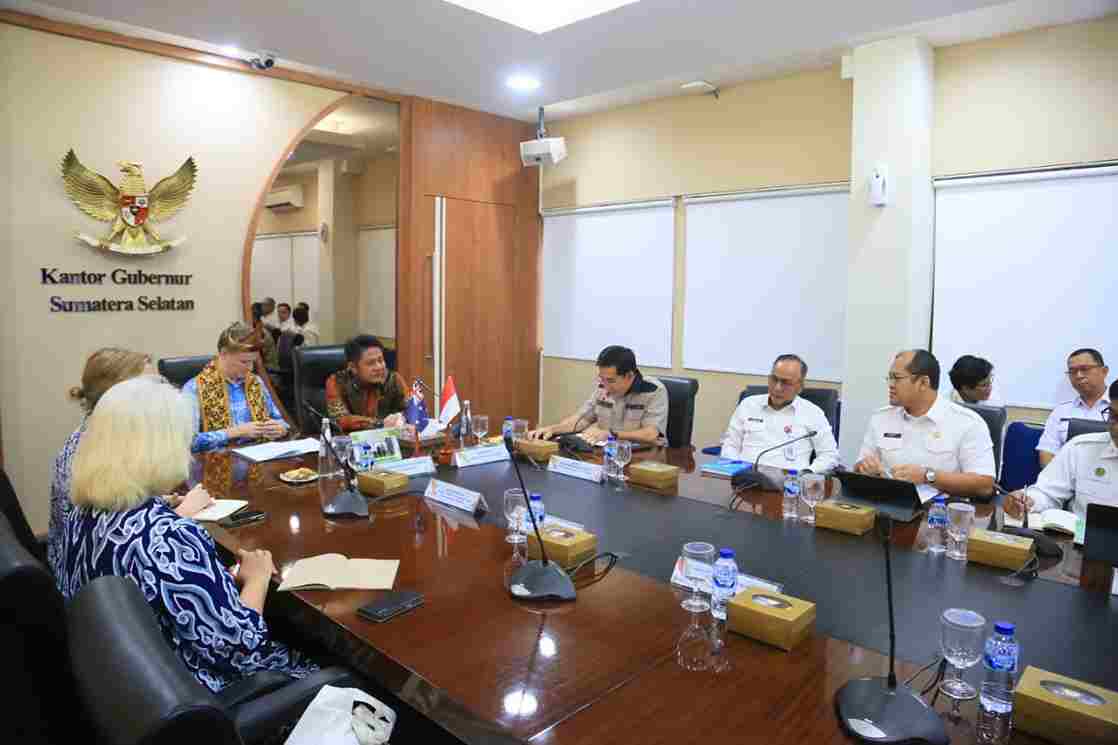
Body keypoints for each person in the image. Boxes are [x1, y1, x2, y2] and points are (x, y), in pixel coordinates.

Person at [60, 376, 317, 692]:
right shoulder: (167, 537)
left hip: (124, 686)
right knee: (339, 665)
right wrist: (257, 578)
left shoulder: (81, 514)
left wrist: (217, 580)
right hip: (203, 693)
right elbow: (243, 651)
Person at [49, 348, 156, 583]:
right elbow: (111, 534)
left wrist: (164, 503)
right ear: (114, 396)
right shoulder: (94, 453)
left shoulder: (99, 434)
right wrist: (182, 513)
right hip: (94, 577)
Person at [855, 349, 995, 501]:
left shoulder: (967, 423)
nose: (891, 385)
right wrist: (865, 468)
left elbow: (985, 485)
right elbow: (858, 468)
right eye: (890, 378)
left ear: (923, 383)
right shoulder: (881, 417)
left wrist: (928, 476)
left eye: (897, 378)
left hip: (940, 510)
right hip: (887, 505)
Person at [1007, 380, 1118, 521]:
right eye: (1113, 415)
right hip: (1081, 534)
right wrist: (1028, 500)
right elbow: (1047, 492)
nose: (1115, 427)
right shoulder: (1081, 448)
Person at [720, 354, 839, 472]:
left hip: (790, 481)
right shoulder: (748, 405)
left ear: (800, 386)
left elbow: (829, 455)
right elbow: (730, 444)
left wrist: (807, 472)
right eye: (774, 379)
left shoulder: (813, 413)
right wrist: (735, 469)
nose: (777, 387)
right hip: (745, 476)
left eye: (786, 383)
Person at [529, 345, 668, 446]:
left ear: (629, 375)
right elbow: (581, 420)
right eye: (602, 378)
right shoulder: (603, 387)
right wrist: (552, 429)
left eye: (611, 380)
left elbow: (651, 434)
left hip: (647, 457)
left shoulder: (654, 391)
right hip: (608, 453)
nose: (605, 386)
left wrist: (611, 434)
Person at [183, 322, 289, 452]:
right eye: (244, 362)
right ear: (223, 354)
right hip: (218, 460)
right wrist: (235, 432)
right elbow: (188, 442)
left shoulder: (255, 382)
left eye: (252, 362)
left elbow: (280, 421)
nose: (250, 368)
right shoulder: (194, 388)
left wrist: (280, 429)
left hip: (260, 455)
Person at [1037, 348, 1111, 468]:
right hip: (1065, 475)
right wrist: (1057, 477)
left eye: (1085, 369)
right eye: (1072, 371)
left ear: (1104, 371)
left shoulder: (1115, 407)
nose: (1079, 375)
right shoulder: (1061, 411)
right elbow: (1047, 452)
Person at [326, 335, 408, 432]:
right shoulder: (337, 382)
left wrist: (401, 417)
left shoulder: (394, 379)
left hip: (387, 438)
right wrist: (380, 424)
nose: (379, 367)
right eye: (371, 363)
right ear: (353, 367)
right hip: (350, 439)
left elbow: (411, 409)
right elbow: (340, 419)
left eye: (381, 360)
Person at [251, 301, 279, 369]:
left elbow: (256, 353)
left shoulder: (262, 333)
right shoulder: (258, 329)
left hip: (269, 369)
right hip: (263, 367)